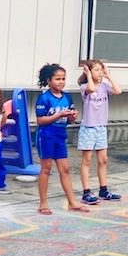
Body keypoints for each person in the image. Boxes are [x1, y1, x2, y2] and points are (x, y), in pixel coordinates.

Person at [35, 63, 88, 215]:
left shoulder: (67, 97)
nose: (61, 82)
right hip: (47, 135)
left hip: (60, 135)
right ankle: (43, 203)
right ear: (49, 81)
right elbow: (40, 120)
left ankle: (72, 202)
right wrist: (59, 115)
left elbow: (68, 119)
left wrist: (72, 117)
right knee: (46, 168)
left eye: (63, 79)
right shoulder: (44, 98)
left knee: (65, 169)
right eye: (57, 79)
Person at [77, 60, 123, 205]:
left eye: (101, 69)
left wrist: (108, 76)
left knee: (103, 160)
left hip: (101, 127)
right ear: (89, 71)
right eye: (96, 70)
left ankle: (103, 190)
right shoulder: (85, 86)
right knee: (87, 160)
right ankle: (86, 192)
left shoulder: (104, 86)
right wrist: (88, 75)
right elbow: (91, 88)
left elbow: (118, 91)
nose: (100, 72)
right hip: (88, 127)